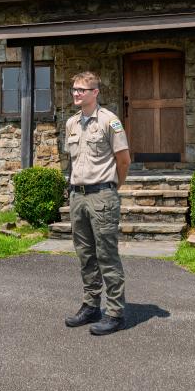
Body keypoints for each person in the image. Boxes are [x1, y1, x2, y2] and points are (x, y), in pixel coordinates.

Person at [62, 71, 131, 335]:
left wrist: (112, 188)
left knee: (106, 255)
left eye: (81, 89)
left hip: (102, 195)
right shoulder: (71, 123)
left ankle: (115, 312)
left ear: (95, 93)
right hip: (77, 196)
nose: (76, 93)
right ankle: (91, 306)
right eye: (74, 89)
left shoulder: (109, 121)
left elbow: (123, 160)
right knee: (85, 254)